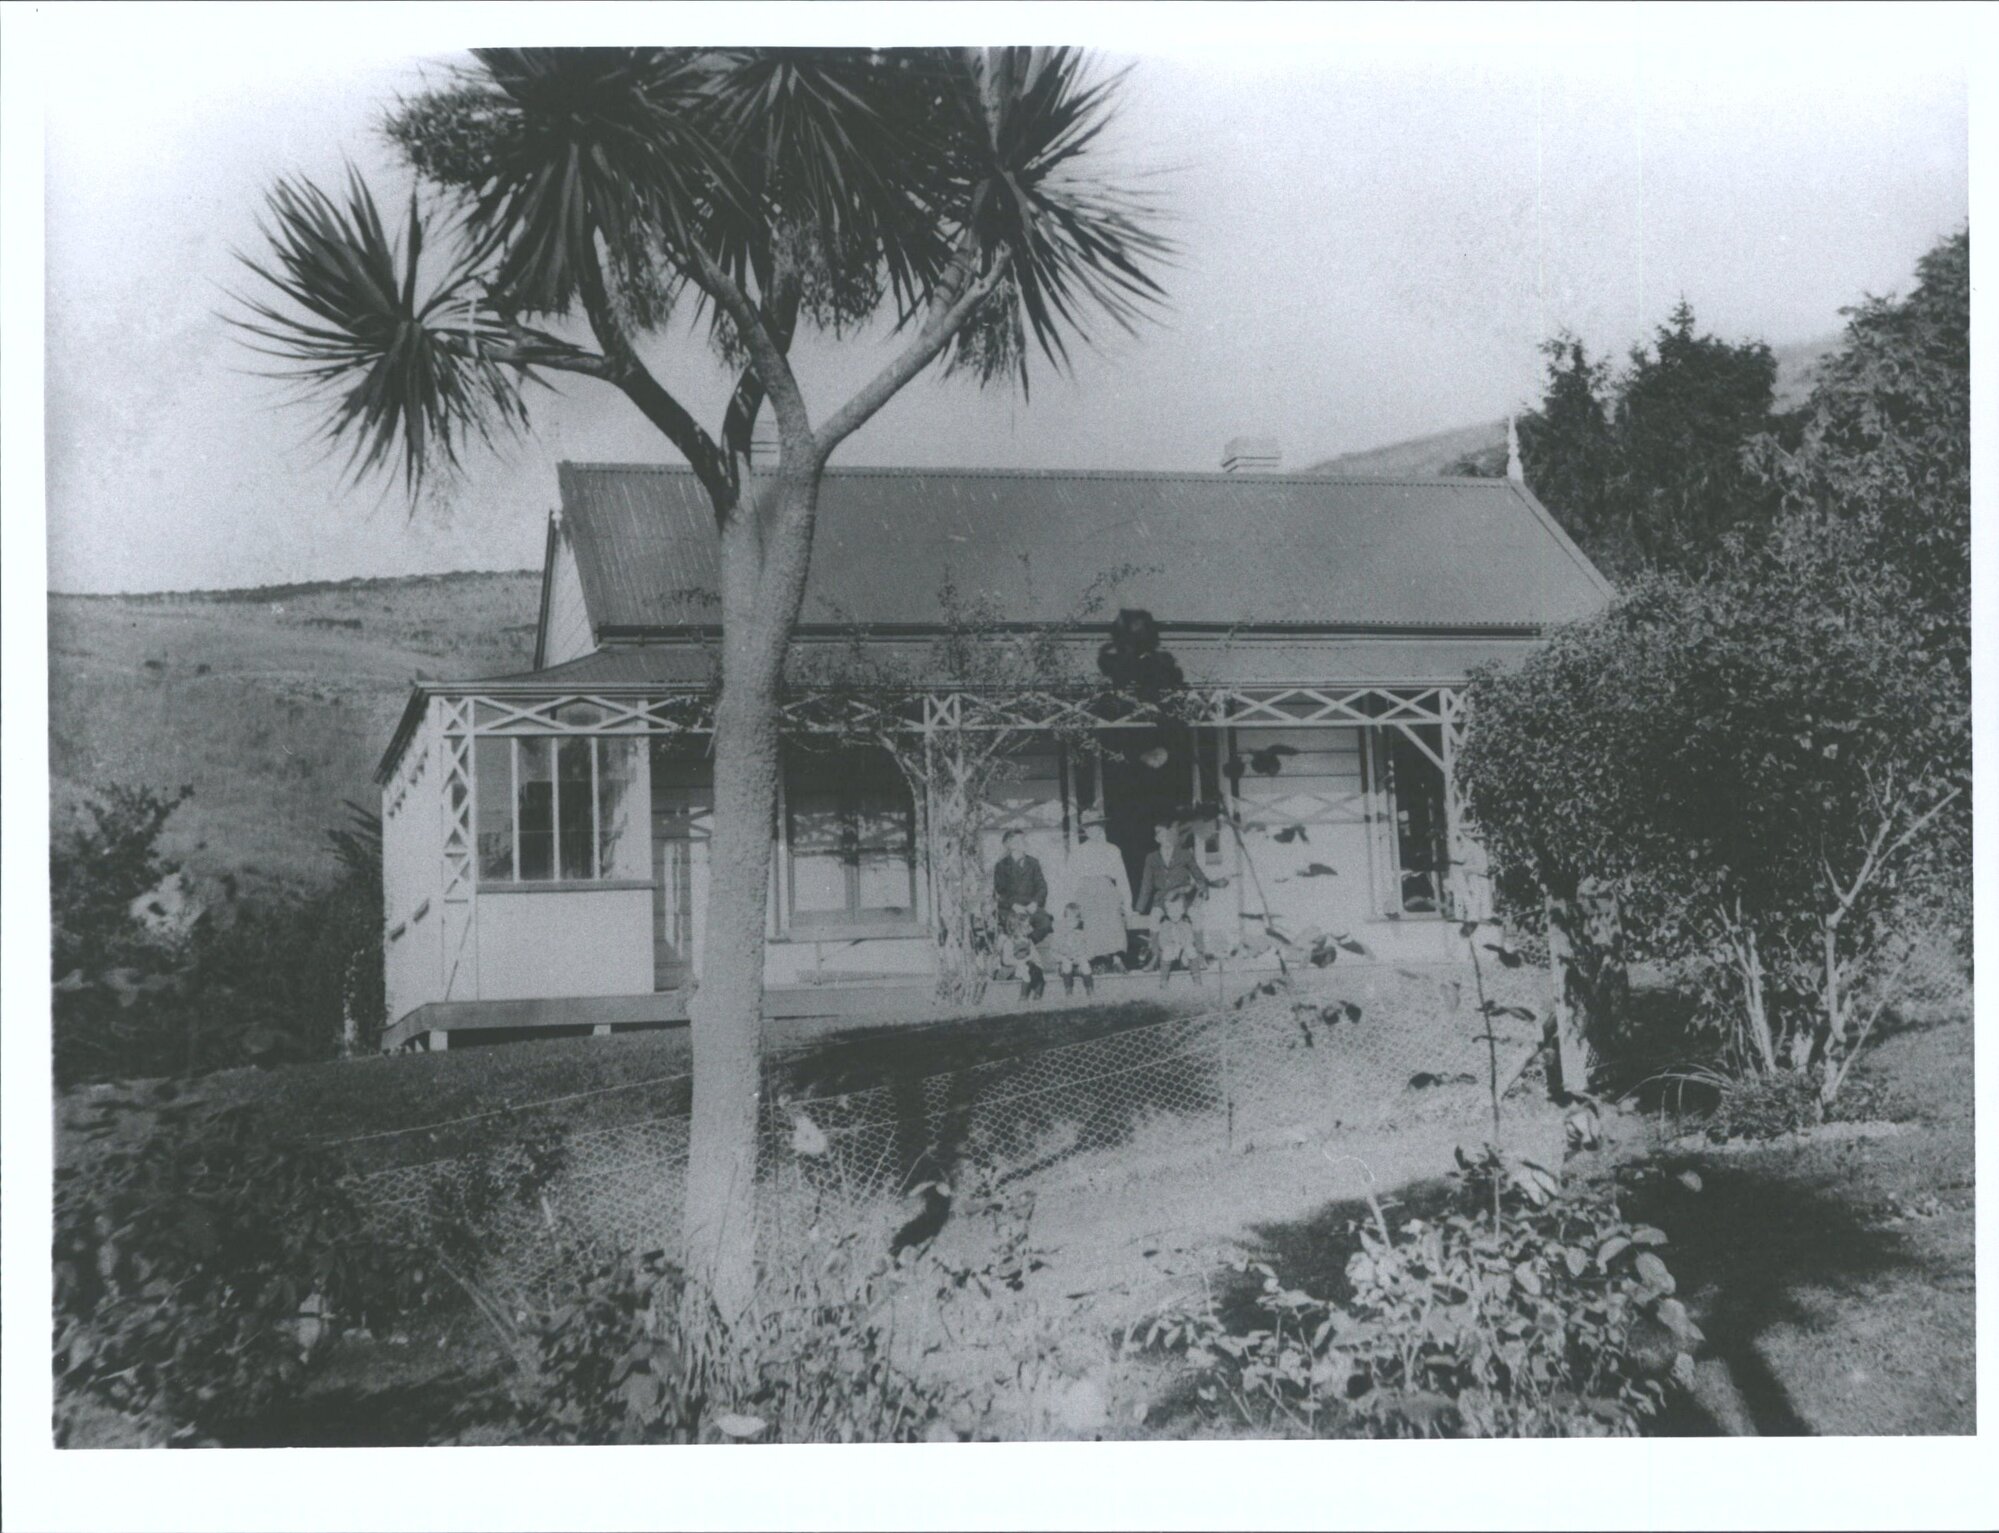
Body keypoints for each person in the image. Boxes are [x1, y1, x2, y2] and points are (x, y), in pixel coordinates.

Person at [1063, 811, 1131, 971]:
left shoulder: (1112, 849)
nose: (1093, 830)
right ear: (1084, 830)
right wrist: (1069, 903)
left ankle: (1116, 958)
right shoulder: (1078, 852)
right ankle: (1095, 960)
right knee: (1089, 918)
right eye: (1089, 827)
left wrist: (1128, 903)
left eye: (1096, 826)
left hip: (1106, 887)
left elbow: (1121, 877)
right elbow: (1072, 879)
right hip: (1085, 890)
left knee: (1113, 915)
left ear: (1102, 828)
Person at [991, 830, 1053, 988]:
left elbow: (1042, 887)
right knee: (1011, 927)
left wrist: (1035, 903)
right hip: (1011, 908)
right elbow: (999, 893)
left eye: (1023, 840)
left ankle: (1024, 950)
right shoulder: (1001, 866)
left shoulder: (1033, 863)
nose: (1022, 844)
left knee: (1045, 923)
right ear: (1009, 845)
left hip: (1030, 907)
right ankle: (1017, 960)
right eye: (1017, 841)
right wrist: (1013, 905)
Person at [1152, 888, 1205, 985]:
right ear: (1167, 912)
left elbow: (1190, 939)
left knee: (1191, 950)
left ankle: (1197, 979)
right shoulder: (1165, 925)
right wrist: (1171, 946)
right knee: (1166, 952)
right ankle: (1163, 981)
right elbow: (1162, 942)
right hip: (1170, 952)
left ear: (1182, 910)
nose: (1174, 914)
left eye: (1177, 910)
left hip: (1182, 953)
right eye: (1170, 910)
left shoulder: (1185, 924)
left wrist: (1182, 946)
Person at [1045, 902, 1094, 997]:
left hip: (1079, 965)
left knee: (1085, 965)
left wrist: (1083, 957)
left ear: (1079, 920)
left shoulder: (1082, 934)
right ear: (1064, 919)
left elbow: (1091, 950)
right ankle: (1069, 990)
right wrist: (1062, 958)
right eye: (1068, 919)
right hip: (1064, 967)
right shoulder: (1059, 935)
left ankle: (1090, 989)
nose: (1071, 922)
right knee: (1067, 964)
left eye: (1074, 920)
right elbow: (1053, 952)